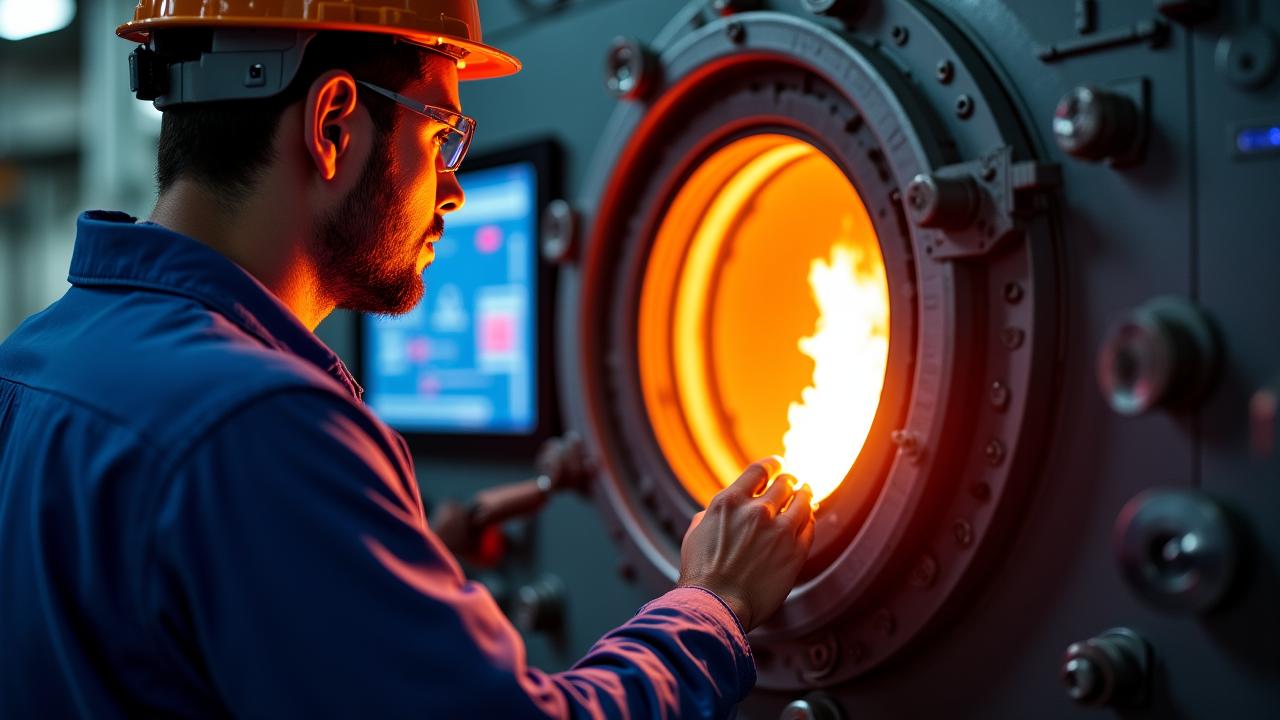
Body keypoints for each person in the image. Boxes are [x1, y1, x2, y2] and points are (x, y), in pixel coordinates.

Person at [0, 2, 816, 717]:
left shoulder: (33, 360)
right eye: (443, 131)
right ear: (334, 124)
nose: (453, 189)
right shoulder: (259, 422)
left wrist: (376, 567)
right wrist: (717, 600)